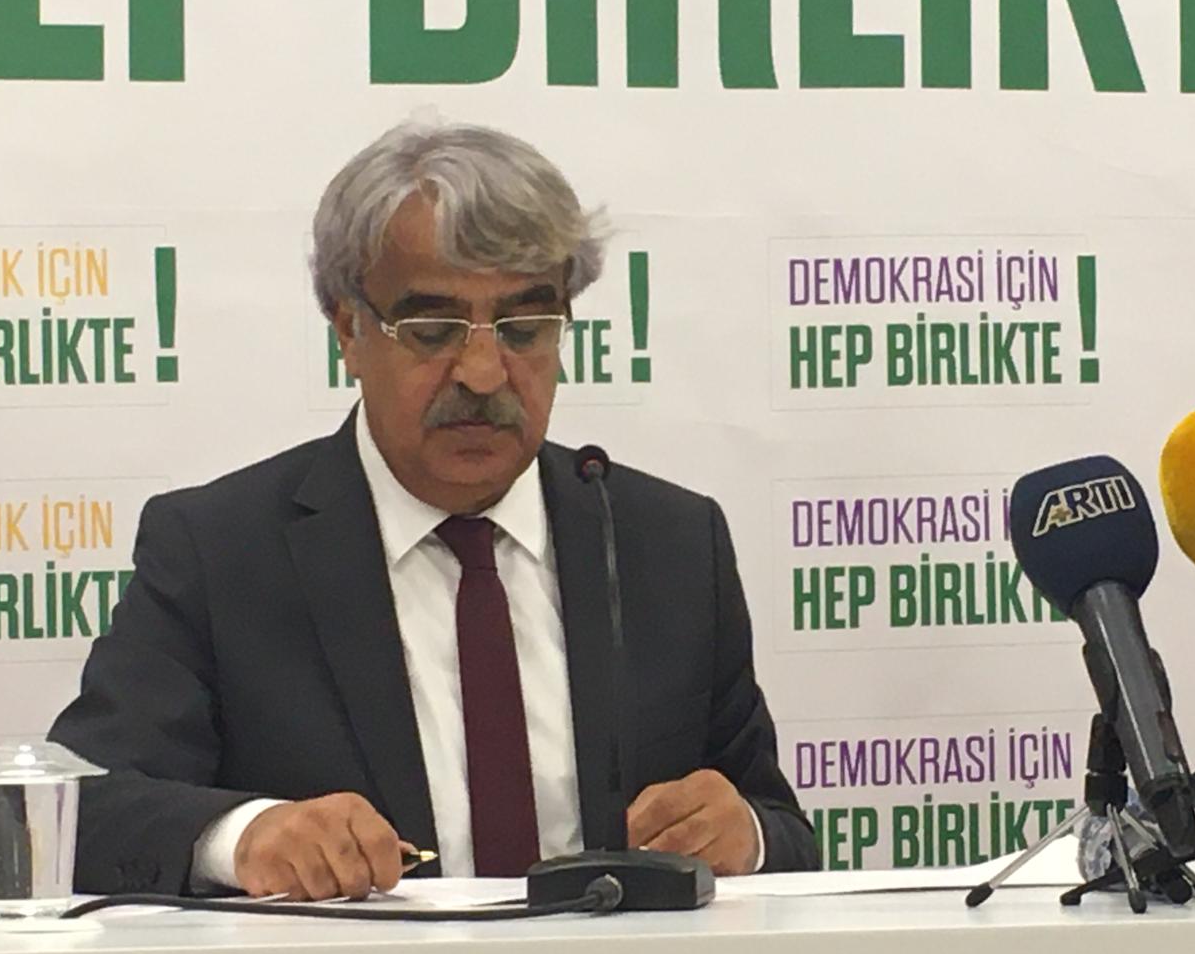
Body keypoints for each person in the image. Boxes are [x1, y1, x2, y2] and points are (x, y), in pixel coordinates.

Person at [50, 121, 819, 899]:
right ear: (349, 331)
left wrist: (747, 835)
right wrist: (245, 837)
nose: (483, 374)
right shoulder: (222, 551)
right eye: (432, 331)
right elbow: (80, 811)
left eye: (524, 329)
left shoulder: (667, 544)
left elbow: (783, 831)